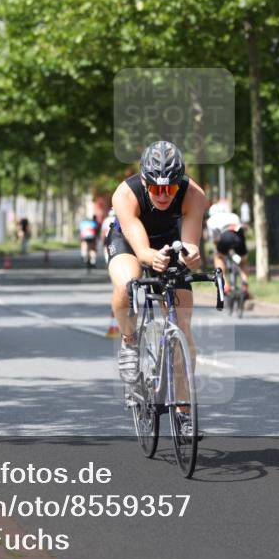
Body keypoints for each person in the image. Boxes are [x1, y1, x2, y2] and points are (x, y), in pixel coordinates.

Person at [105, 141, 206, 406]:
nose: (163, 195)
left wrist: (190, 254)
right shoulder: (125, 195)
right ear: (145, 182)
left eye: (170, 188)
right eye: (156, 189)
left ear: (179, 183)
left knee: (183, 328)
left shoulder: (194, 194)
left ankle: (183, 412)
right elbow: (141, 250)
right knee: (128, 282)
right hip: (129, 242)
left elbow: (190, 242)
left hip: (169, 241)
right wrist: (153, 257)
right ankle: (129, 342)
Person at [206, 202, 249, 296]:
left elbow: (215, 240)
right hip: (239, 234)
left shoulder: (211, 220)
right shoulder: (233, 215)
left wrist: (218, 249)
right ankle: (245, 284)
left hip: (226, 235)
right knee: (243, 260)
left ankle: (225, 285)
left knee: (218, 257)